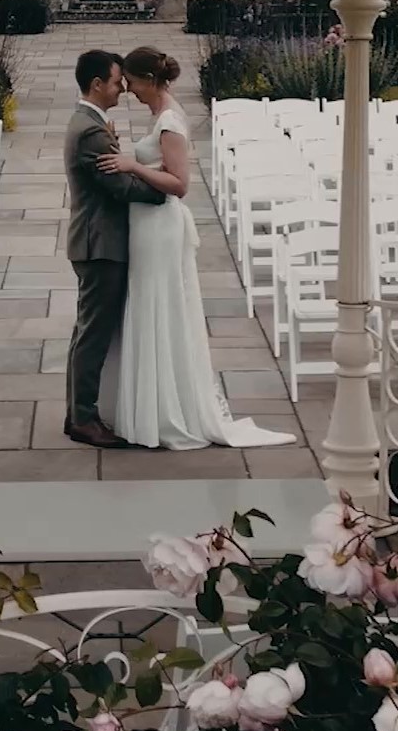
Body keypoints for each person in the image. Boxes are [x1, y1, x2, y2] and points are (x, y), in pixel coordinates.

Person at [96, 46, 295, 450]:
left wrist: (133, 166)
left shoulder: (169, 119)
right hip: (145, 226)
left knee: (158, 306)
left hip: (160, 227)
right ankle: (149, 408)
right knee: (148, 307)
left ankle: (166, 413)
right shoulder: (160, 115)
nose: (128, 90)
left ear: (148, 80)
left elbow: (180, 184)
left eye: (131, 83)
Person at [63, 49, 166, 450]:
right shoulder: (90, 130)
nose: (122, 88)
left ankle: (77, 412)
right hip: (100, 243)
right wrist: (166, 188)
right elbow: (120, 185)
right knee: (93, 334)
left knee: (86, 330)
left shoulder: (90, 121)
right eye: (116, 81)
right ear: (96, 84)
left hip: (96, 241)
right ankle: (84, 419)